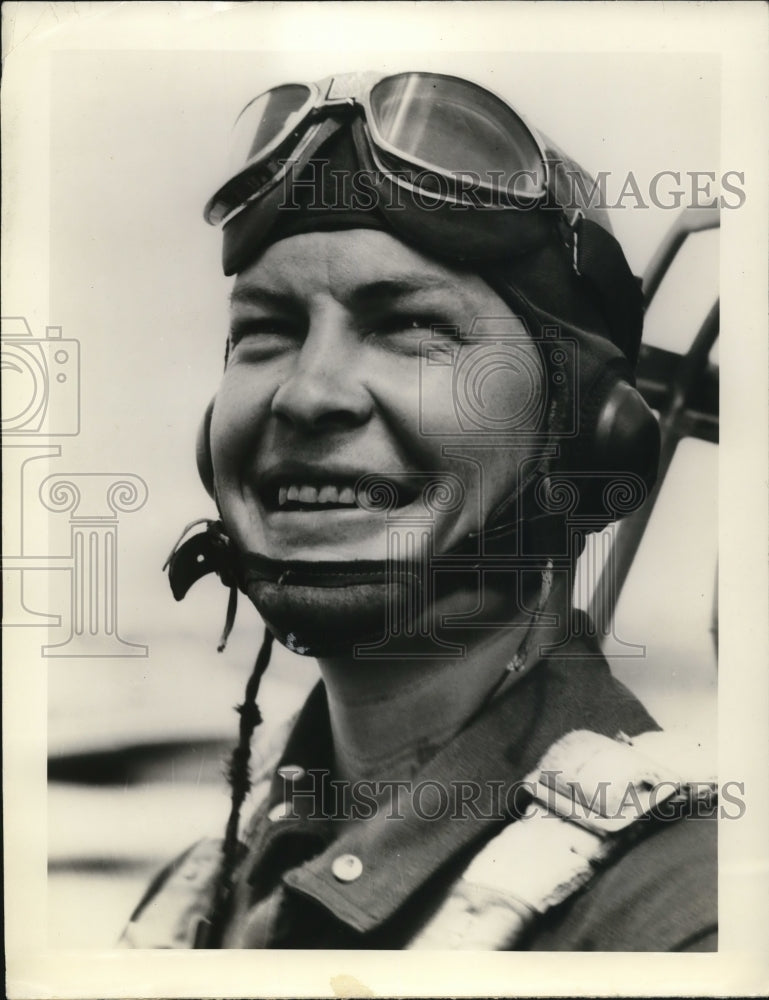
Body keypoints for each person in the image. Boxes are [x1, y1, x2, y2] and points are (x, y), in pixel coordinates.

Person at [120, 71, 717, 950]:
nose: (307, 393)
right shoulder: (199, 891)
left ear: (588, 438)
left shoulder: (682, 917)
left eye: (410, 330)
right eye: (266, 330)